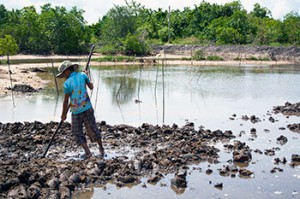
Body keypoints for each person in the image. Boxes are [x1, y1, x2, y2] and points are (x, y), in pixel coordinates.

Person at [57, 60, 104, 159]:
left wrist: (63, 114)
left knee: (77, 132)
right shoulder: (82, 75)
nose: (64, 76)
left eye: (63, 74)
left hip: (76, 111)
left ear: (66, 72)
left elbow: (66, 101)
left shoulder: (67, 84)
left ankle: (88, 152)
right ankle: (101, 149)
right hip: (87, 108)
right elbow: (91, 87)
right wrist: (86, 76)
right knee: (93, 128)